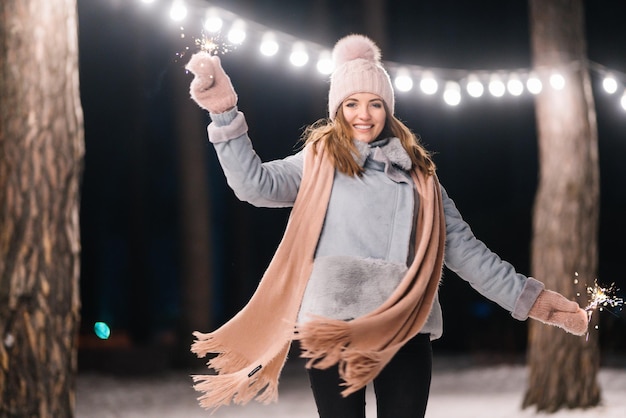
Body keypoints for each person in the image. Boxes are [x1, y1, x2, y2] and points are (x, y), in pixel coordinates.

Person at [185, 34, 588, 418]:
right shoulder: (318, 161)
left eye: (375, 103)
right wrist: (224, 114)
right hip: (332, 326)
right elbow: (253, 185)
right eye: (352, 103)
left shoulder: (421, 179)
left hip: (405, 325)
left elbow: (468, 253)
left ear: (388, 109)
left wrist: (536, 302)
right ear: (337, 109)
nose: (363, 114)